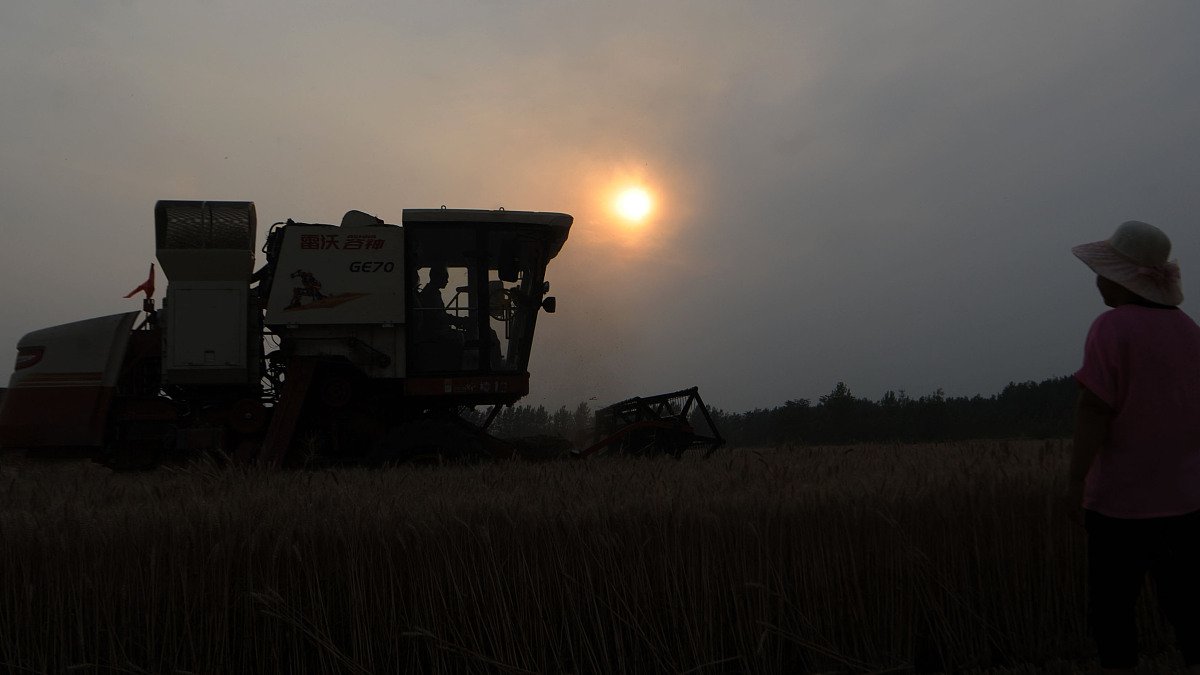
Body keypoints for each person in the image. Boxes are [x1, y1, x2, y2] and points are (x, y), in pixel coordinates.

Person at [1068, 220, 1200, 674]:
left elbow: (1093, 411)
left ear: (1122, 280)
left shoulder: (1110, 328)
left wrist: (1073, 484)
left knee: (1112, 615)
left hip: (1119, 509)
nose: (1097, 279)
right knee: (1188, 609)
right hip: (1187, 504)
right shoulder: (1190, 331)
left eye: (1103, 271)